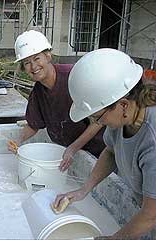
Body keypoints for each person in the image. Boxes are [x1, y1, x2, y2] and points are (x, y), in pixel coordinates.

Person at [54, 48, 156, 239]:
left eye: (98, 117)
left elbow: (151, 215)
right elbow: (110, 152)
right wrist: (84, 190)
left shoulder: (152, 139)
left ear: (123, 105)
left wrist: (113, 238)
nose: (98, 123)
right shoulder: (125, 118)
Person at [8, 30, 105, 171]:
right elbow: (34, 124)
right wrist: (17, 141)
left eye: (37, 59)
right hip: (69, 153)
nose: (33, 67)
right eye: (27, 63)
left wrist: (73, 148)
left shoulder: (73, 77)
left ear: (48, 56)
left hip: (98, 151)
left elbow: (100, 120)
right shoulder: (38, 92)